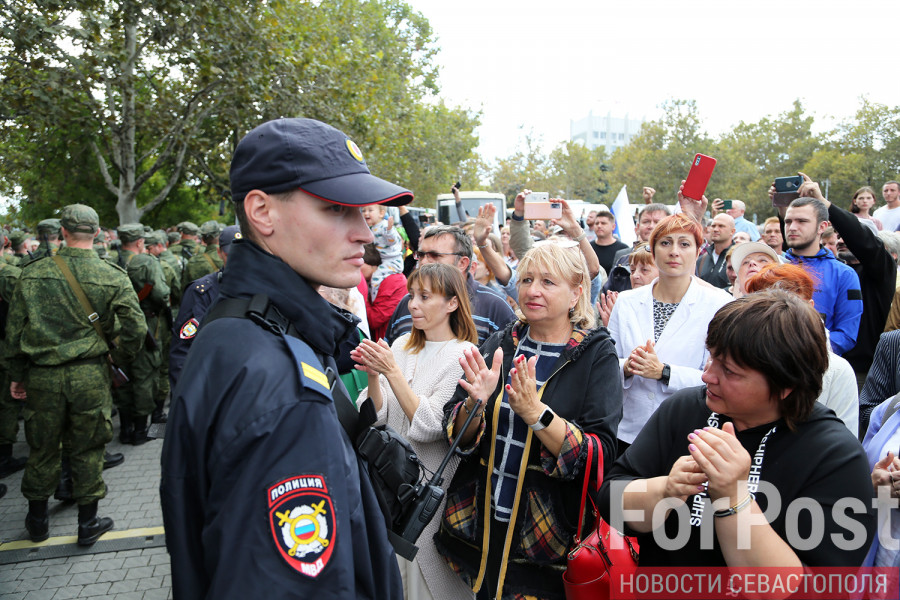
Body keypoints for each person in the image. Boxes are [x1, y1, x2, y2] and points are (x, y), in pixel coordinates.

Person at [161, 118, 410, 599]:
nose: (365, 233)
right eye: (337, 208)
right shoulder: (283, 387)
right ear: (262, 212)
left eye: (362, 213)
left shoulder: (235, 326)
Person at [600, 290, 875, 570]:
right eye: (712, 357)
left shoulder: (834, 456)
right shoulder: (685, 409)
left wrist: (734, 499)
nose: (708, 375)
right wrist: (665, 491)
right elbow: (612, 500)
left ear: (785, 385)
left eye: (729, 371)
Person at [435, 242, 623, 600]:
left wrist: (537, 415)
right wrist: (475, 405)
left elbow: (601, 455)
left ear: (576, 294)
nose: (532, 290)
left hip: (545, 536)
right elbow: (456, 436)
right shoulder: (502, 342)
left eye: (548, 282)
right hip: (481, 522)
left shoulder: (596, 355)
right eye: (526, 279)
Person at [6, 204, 146, 545]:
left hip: (42, 376)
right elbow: (137, 328)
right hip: (89, 375)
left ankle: (37, 521)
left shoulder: (33, 272)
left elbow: (14, 332)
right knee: (88, 448)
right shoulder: (111, 274)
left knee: (42, 448)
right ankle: (88, 523)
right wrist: (116, 354)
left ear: (63, 233)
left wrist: (17, 375)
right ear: (96, 233)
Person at [351, 263, 477, 600]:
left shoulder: (463, 355)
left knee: (427, 587)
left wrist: (390, 372)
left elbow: (431, 425)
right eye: (411, 296)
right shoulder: (401, 343)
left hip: (427, 502)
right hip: (384, 492)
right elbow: (374, 418)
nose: (413, 304)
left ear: (452, 303)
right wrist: (373, 375)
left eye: (425, 296)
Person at [608, 213, 733, 455]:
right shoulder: (626, 302)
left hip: (690, 434)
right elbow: (607, 363)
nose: (674, 251)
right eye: (665, 243)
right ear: (653, 252)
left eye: (684, 244)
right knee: (624, 492)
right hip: (627, 433)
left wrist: (665, 372)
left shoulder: (719, 304)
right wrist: (627, 366)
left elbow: (722, 376)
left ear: (698, 252)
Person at [744, 263, 858, 434]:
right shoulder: (737, 360)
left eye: (789, 303)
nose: (777, 313)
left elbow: (844, 439)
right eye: (764, 304)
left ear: (810, 306)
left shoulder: (836, 369)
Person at [385, 225, 515, 345]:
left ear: (462, 263)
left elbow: (511, 363)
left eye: (434, 256)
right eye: (421, 255)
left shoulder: (494, 306)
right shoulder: (407, 303)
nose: (424, 262)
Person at [782, 196, 863, 356]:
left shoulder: (844, 274)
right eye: (788, 221)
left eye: (802, 221)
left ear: (822, 227)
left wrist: (802, 351)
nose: (792, 227)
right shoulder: (772, 266)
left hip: (817, 367)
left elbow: (846, 335)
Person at [114, 223, 170, 445]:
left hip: (118, 327)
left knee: (123, 377)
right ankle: (141, 430)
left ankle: (125, 429)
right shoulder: (146, 261)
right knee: (146, 376)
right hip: (146, 323)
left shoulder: (108, 260)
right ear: (140, 242)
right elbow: (161, 294)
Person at [168, 225, 241, 390]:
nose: (238, 261)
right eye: (231, 255)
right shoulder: (202, 292)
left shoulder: (263, 290)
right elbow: (182, 352)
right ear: (220, 253)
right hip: (210, 383)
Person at [361, 242, 407, 341]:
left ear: (370, 262)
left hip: (389, 342)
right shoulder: (373, 280)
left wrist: (361, 293)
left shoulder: (393, 281)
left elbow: (374, 319)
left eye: (359, 262)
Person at [361, 204, 404, 300]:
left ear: (381, 213)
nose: (366, 213)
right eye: (363, 211)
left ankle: (373, 299)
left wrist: (389, 231)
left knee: (376, 277)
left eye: (370, 210)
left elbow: (393, 241)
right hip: (383, 259)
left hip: (392, 260)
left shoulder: (384, 226)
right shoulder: (371, 227)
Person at [695, 213, 734, 289]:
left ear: (732, 231)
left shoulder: (739, 257)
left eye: (721, 226)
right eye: (713, 226)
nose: (715, 229)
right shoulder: (702, 259)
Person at [181, 220, 223, 289]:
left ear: (203, 239)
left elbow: (185, 288)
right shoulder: (227, 257)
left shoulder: (193, 261)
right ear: (219, 235)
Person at [589, 211, 629, 277]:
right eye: (597, 223)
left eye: (603, 223)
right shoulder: (588, 247)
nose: (599, 226)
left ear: (613, 226)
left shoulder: (623, 249)